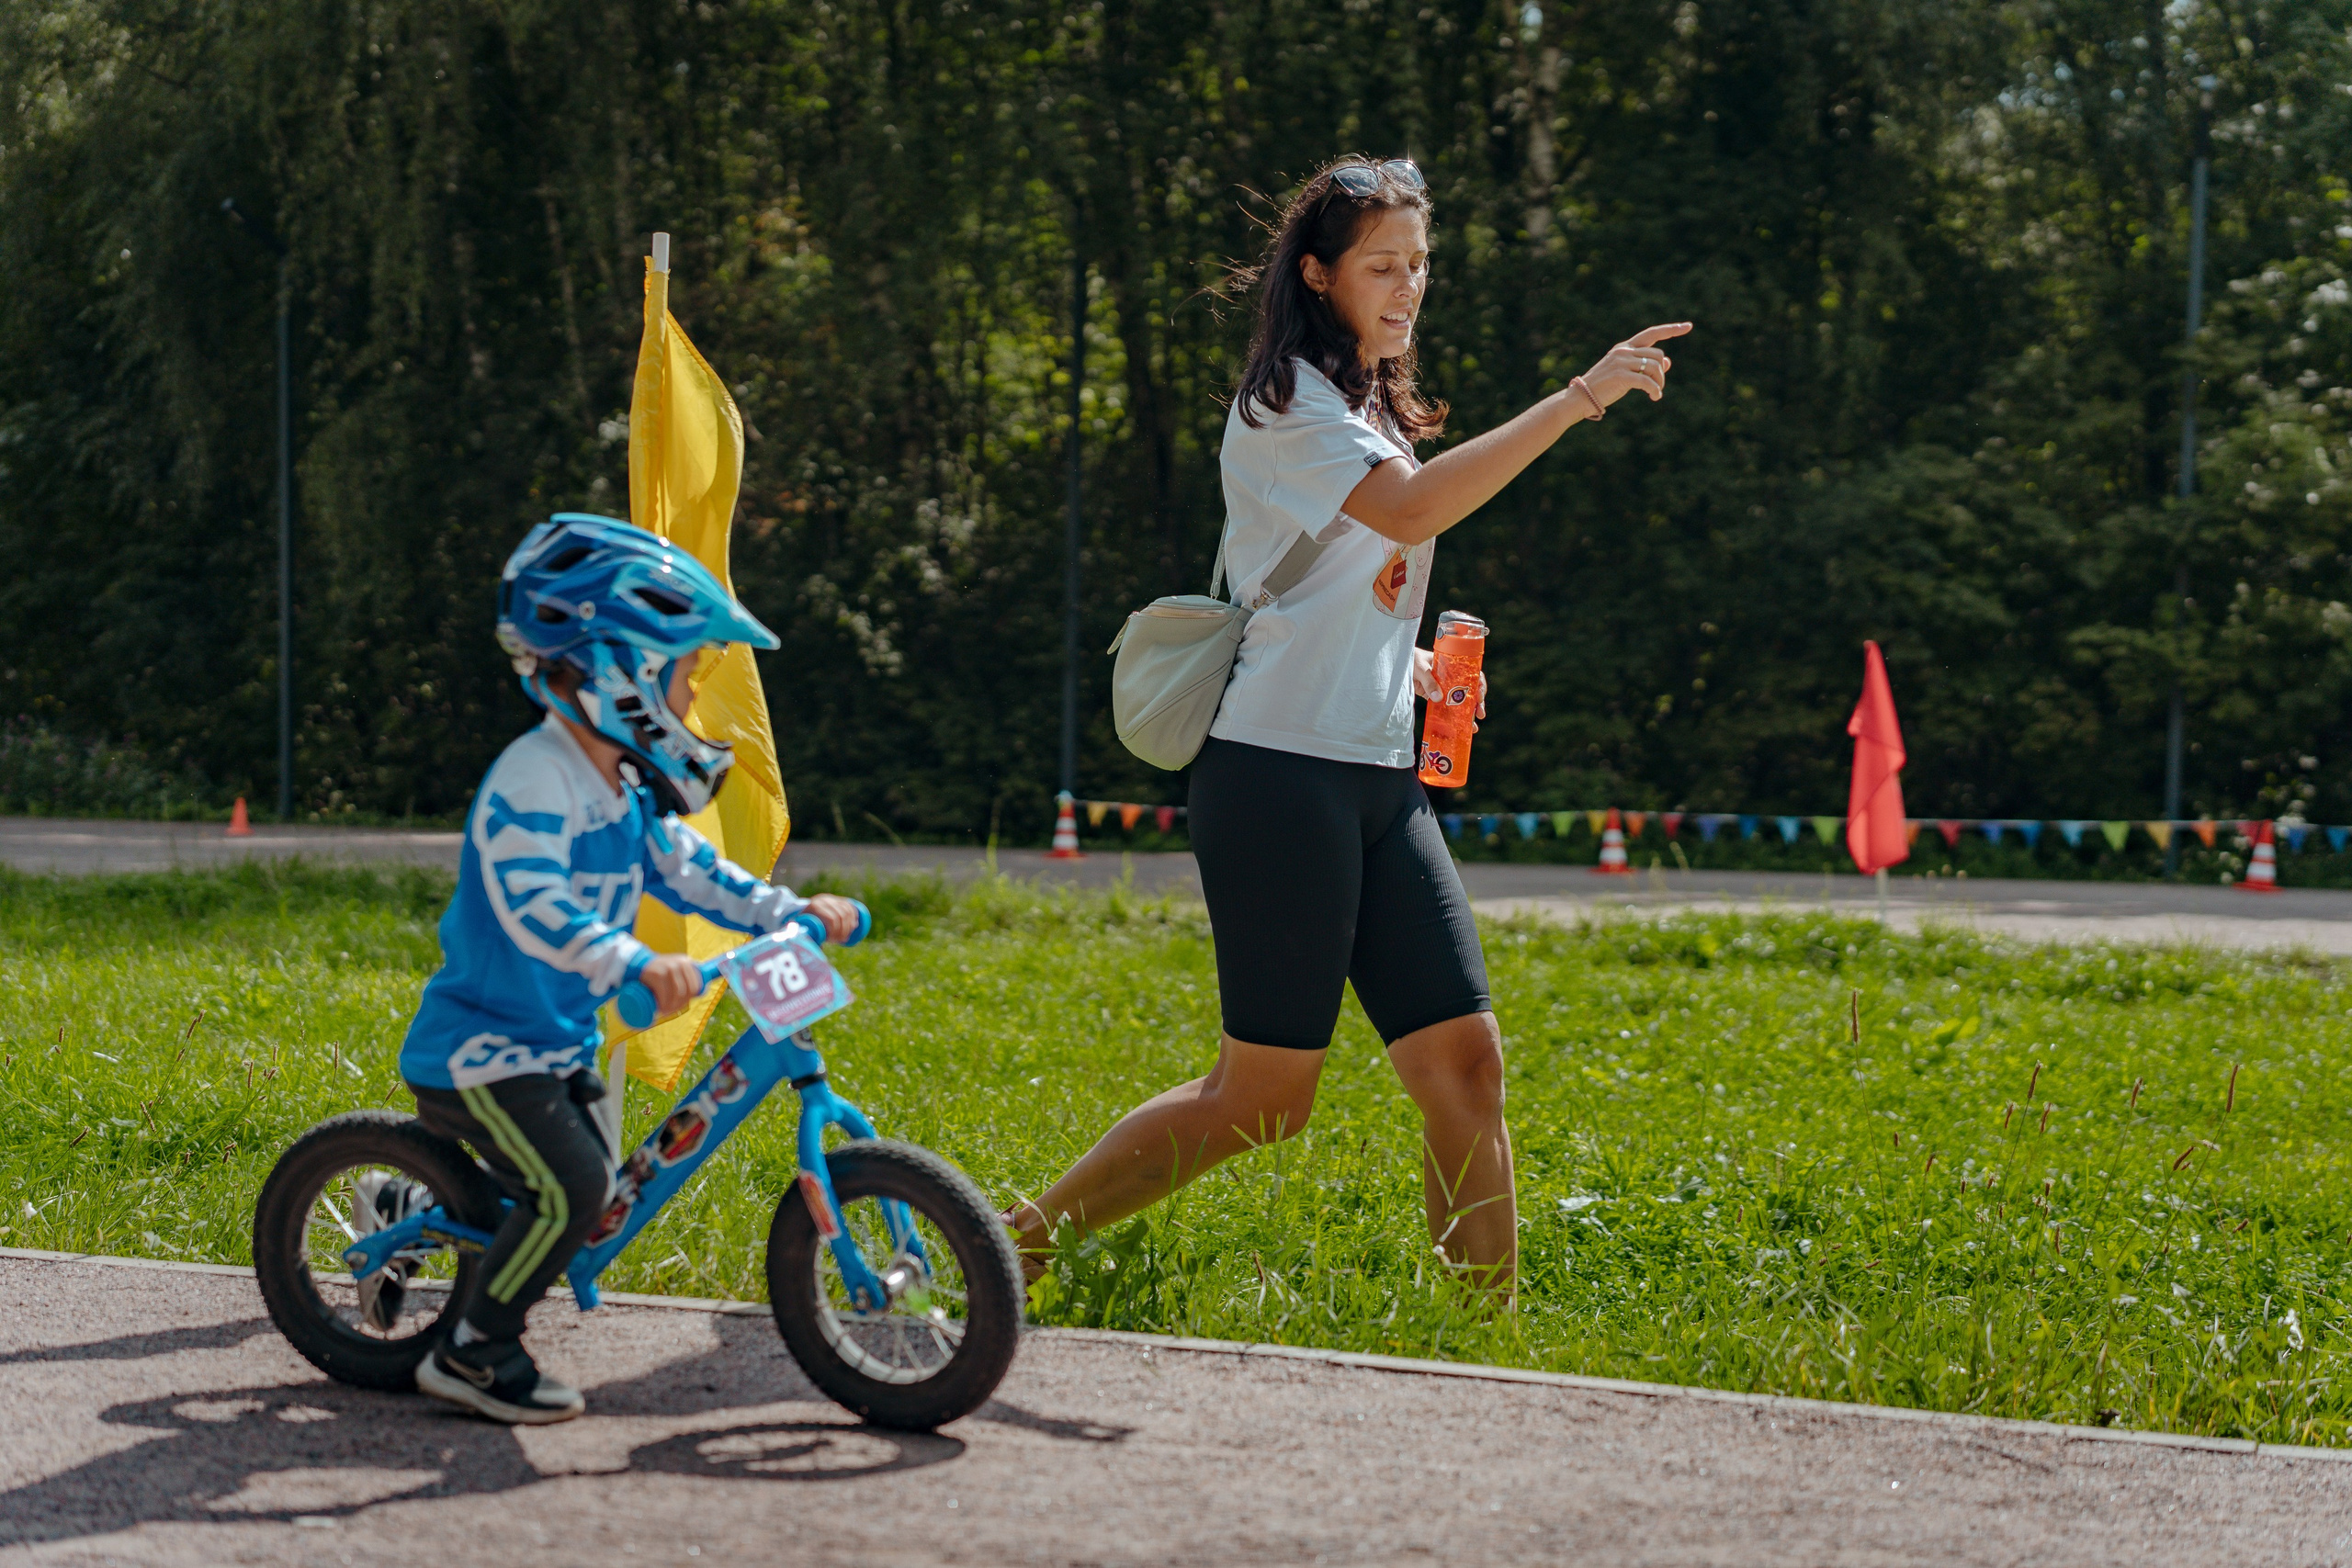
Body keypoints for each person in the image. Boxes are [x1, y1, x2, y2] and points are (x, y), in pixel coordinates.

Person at [1008, 156, 1687, 1296]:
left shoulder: (1369, 407)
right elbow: (1412, 510)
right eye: (1382, 265)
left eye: (1419, 265)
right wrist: (1580, 398)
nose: (1407, 286)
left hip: (1378, 778)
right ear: (1317, 274)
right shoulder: (1286, 405)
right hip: (1278, 776)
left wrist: (1414, 666)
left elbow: (1336, 577)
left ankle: (1479, 1345)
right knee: (1263, 1102)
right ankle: (1006, 1245)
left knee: (1464, 1067)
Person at [394, 513, 861, 1424]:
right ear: (621, 673)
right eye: (685, 674)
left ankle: (418, 1201)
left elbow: (694, 874)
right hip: (485, 1050)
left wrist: (787, 911)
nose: (691, 701)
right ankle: (474, 1353)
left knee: (573, 1182)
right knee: (575, 1189)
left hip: (549, 1042)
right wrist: (632, 959)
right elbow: (537, 902)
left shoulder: (620, 784)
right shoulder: (532, 780)